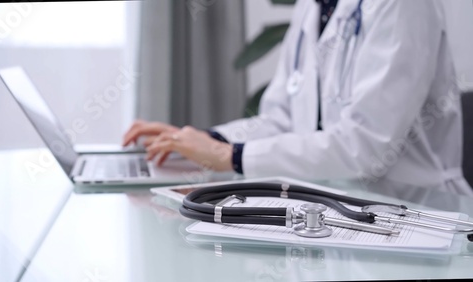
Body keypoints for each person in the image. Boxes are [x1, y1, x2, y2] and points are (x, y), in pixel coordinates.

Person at [123, 0, 472, 195]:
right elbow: (281, 119)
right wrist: (205, 141)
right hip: (342, 203)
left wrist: (229, 156)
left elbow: (363, 147)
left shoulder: (401, 6)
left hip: (419, 207)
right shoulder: (313, 7)